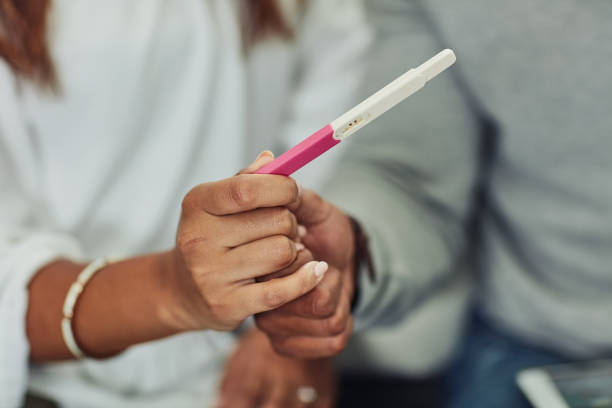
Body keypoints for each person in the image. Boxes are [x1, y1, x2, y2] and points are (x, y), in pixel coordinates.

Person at [0, 1, 373, 407]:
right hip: (51, 383)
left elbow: (333, 156)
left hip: (241, 369)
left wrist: (299, 317)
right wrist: (172, 290)